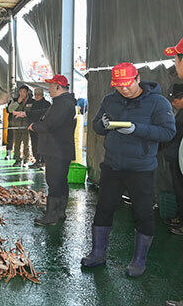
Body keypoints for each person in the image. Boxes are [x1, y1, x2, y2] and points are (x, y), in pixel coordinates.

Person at [81, 63, 175, 277]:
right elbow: (95, 125)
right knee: (104, 208)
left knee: (143, 213)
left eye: (127, 84)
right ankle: (97, 253)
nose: (124, 89)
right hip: (112, 165)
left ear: (138, 78)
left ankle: (139, 261)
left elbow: (168, 132)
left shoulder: (157, 102)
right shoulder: (109, 100)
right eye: (119, 86)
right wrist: (102, 125)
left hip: (141, 168)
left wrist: (137, 129)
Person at [28, 75, 76, 226]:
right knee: (61, 181)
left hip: (57, 149)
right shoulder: (63, 102)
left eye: (51, 86)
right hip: (60, 148)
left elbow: (51, 125)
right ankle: (59, 211)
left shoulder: (62, 103)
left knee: (54, 181)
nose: (49, 90)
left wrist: (34, 127)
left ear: (58, 87)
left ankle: (51, 216)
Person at [163, 84, 183, 235]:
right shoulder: (180, 113)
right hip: (175, 156)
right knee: (177, 188)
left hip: (180, 158)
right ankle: (179, 217)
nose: (173, 102)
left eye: (175, 99)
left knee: (181, 189)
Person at [7, 85, 33, 166]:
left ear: (27, 92)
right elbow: (9, 109)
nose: (22, 94)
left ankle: (26, 160)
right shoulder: (14, 100)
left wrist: (23, 114)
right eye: (21, 92)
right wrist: (18, 102)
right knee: (17, 143)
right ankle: (18, 160)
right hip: (16, 125)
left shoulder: (31, 101)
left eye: (24, 92)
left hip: (26, 126)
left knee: (26, 144)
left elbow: (33, 112)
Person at [27, 88, 52, 168]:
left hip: (43, 129)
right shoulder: (33, 103)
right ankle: (37, 160)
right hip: (33, 128)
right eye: (35, 95)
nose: (37, 96)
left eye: (39, 95)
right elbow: (30, 115)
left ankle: (44, 162)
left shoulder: (47, 104)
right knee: (34, 144)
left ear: (42, 95)